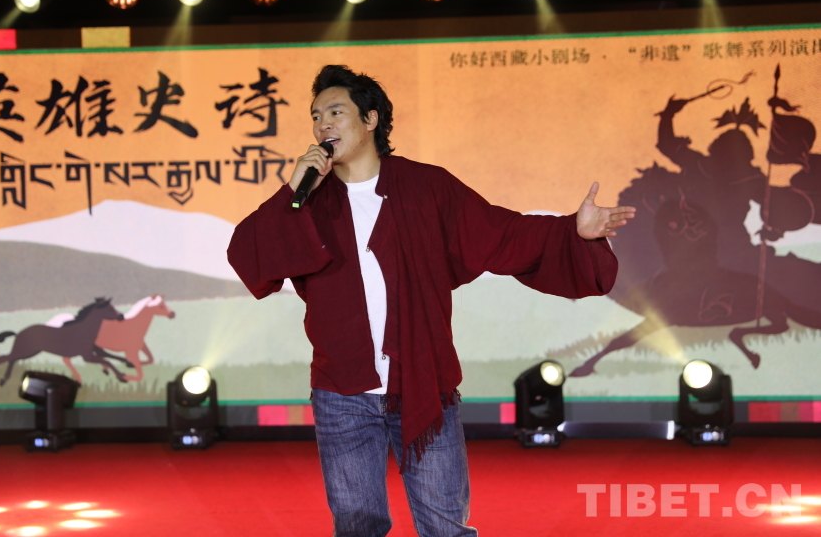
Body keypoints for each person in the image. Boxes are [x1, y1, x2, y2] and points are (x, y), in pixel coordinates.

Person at [227, 65, 635, 537]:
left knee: (445, 527)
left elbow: (500, 232)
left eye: (335, 112)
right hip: (341, 392)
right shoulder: (309, 201)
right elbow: (248, 254)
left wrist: (570, 231)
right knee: (357, 526)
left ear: (371, 119)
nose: (323, 125)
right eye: (316, 116)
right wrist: (292, 190)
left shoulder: (426, 187)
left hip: (422, 382)